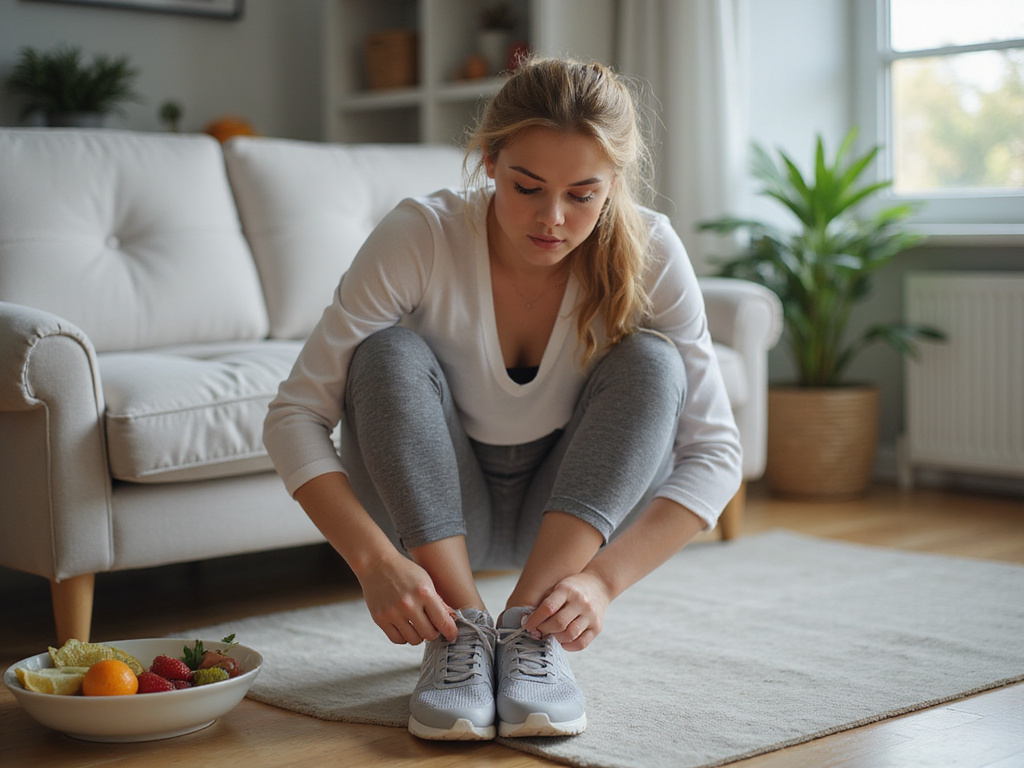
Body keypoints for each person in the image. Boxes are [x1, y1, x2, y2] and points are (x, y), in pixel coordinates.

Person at [263, 56, 742, 742]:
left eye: (583, 194)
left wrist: (602, 582)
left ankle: (528, 631)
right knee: (386, 354)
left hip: (568, 516)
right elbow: (294, 416)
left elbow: (718, 451)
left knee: (652, 362)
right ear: (490, 161)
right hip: (433, 511)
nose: (553, 219)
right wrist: (374, 562)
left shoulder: (652, 251)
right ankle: (457, 633)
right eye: (527, 187)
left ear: (613, 186)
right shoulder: (420, 235)